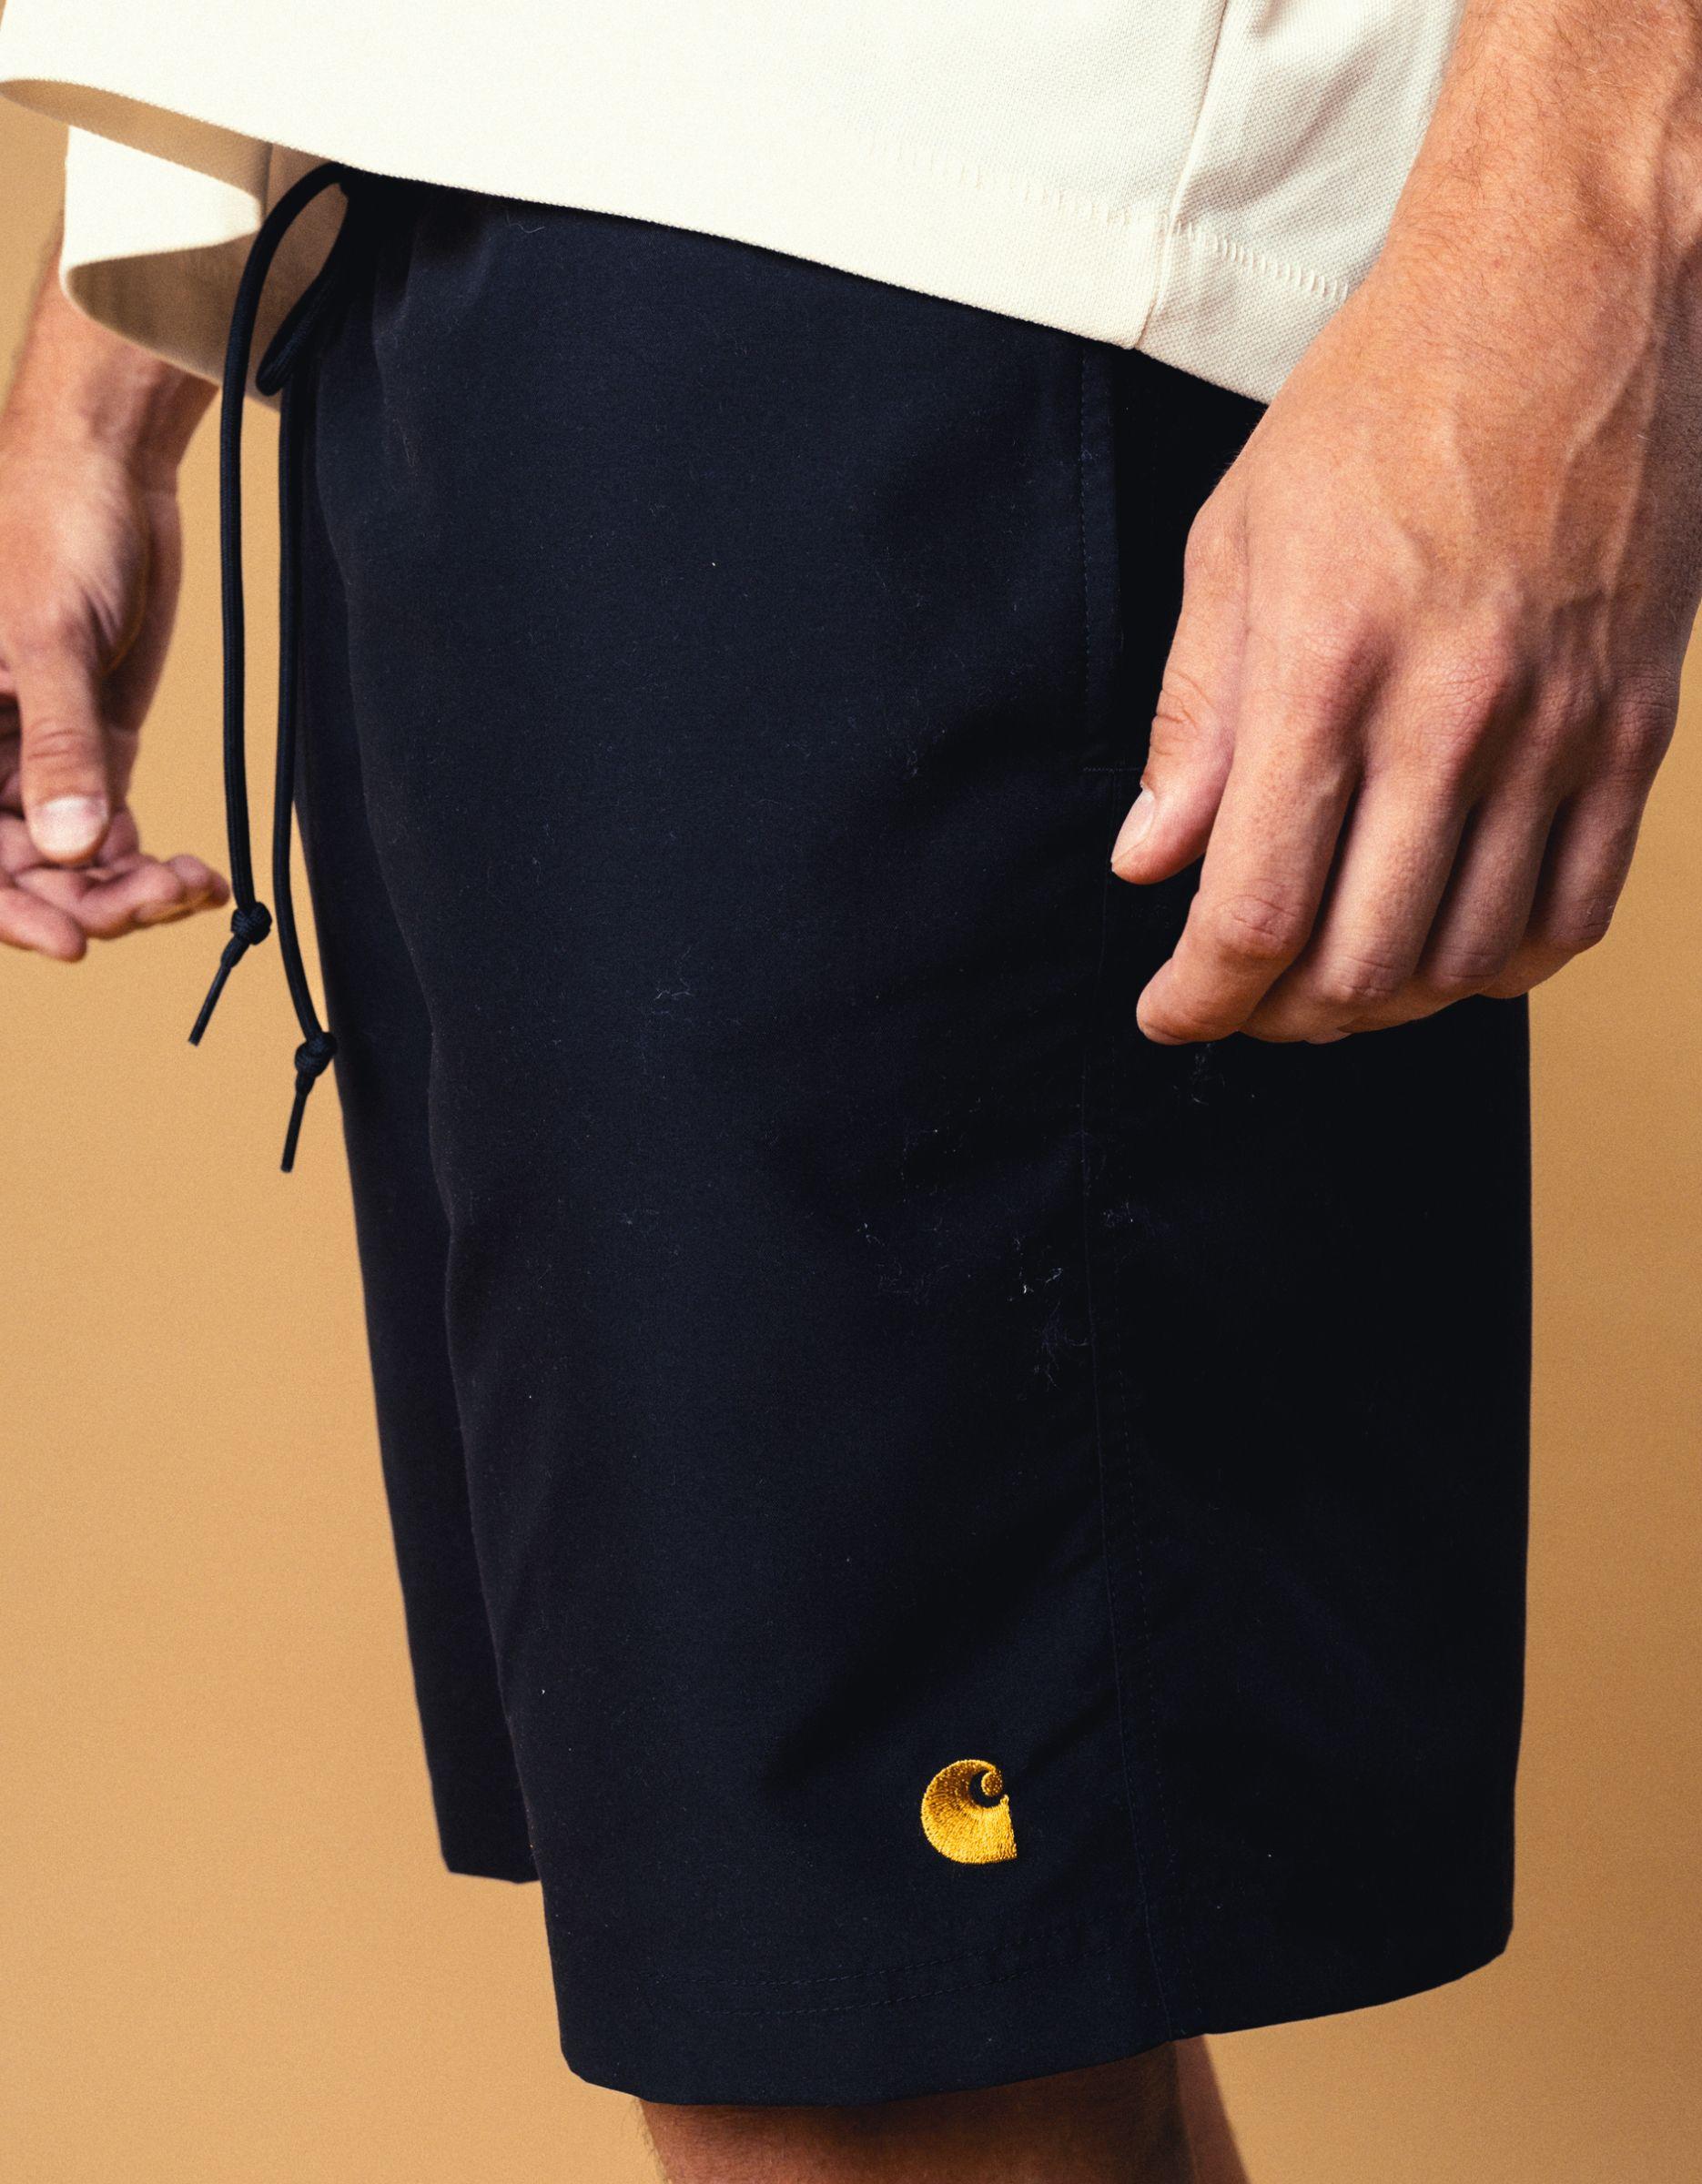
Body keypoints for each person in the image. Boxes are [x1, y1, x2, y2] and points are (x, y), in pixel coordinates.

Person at [1, 3, 1697, 2178]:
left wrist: (1565, 252)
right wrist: (100, 368)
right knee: (880, 2004)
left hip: (959, 238)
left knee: (870, 2040)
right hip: (440, 224)